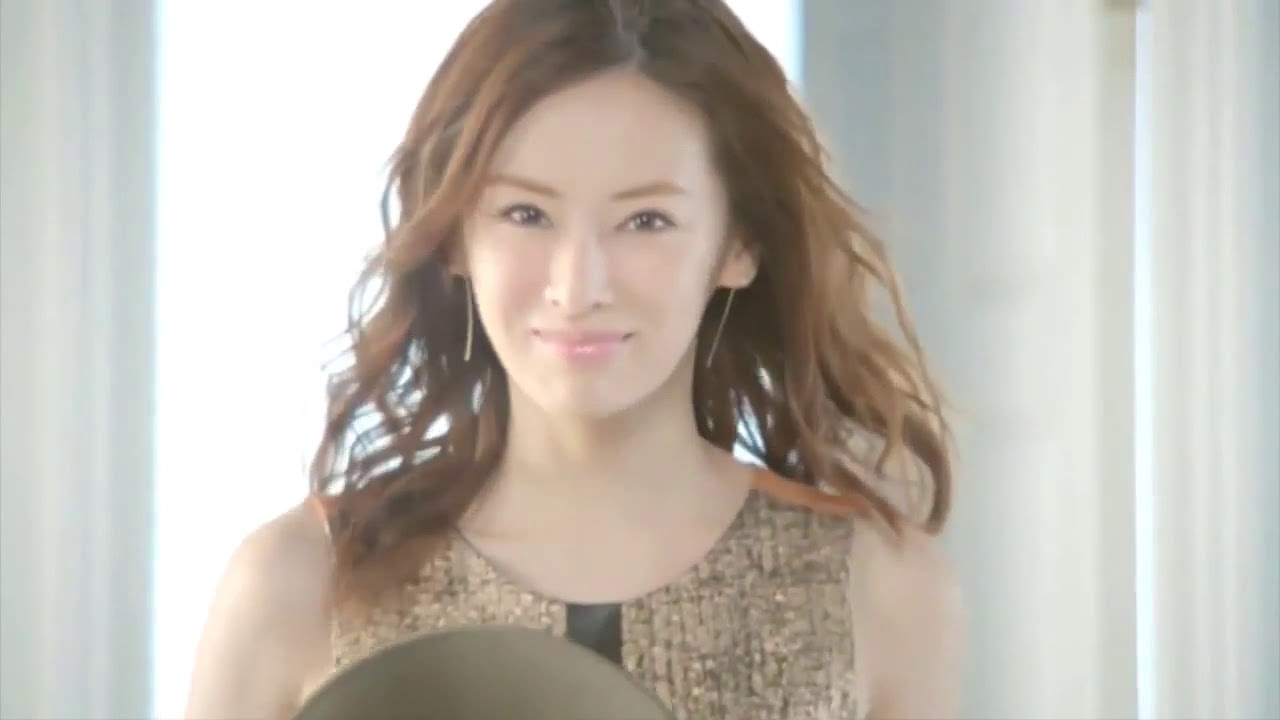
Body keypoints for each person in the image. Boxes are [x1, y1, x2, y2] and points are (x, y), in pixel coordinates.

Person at [183, 1, 966, 718]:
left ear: (739, 243)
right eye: (527, 214)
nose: (577, 286)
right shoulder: (296, 586)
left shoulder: (877, 590)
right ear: (454, 237)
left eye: (646, 221)